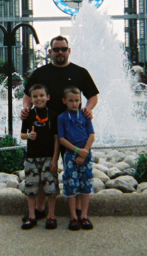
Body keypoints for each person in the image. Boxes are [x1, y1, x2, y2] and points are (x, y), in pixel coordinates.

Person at [21, 35, 99, 221]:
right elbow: (27, 95)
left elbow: (93, 96)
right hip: (45, 130)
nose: (60, 52)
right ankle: (40, 208)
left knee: (77, 167)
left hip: (74, 133)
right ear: (50, 52)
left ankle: (79, 210)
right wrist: (26, 108)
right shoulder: (40, 72)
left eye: (63, 49)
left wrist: (87, 109)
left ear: (69, 50)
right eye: (56, 49)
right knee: (45, 168)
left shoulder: (80, 72)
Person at [20, 84, 60, 230]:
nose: (39, 99)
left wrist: (55, 158)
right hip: (32, 157)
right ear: (31, 99)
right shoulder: (28, 115)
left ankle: (51, 216)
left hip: (49, 157)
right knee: (31, 187)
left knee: (50, 188)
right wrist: (29, 136)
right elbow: (22, 135)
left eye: (42, 95)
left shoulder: (54, 115)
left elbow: (57, 139)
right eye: (35, 96)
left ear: (48, 97)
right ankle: (32, 216)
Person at [58, 86, 95, 231]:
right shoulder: (62, 118)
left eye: (77, 100)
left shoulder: (85, 116)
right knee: (71, 185)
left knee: (85, 184)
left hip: (86, 153)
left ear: (81, 100)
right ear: (64, 101)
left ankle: (84, 215)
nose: (74, 103)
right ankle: (73, 216)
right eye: (71, 101)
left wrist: (84, 151)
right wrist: (77, 151)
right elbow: (61, 139)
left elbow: (91, 135)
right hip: (70, 155)